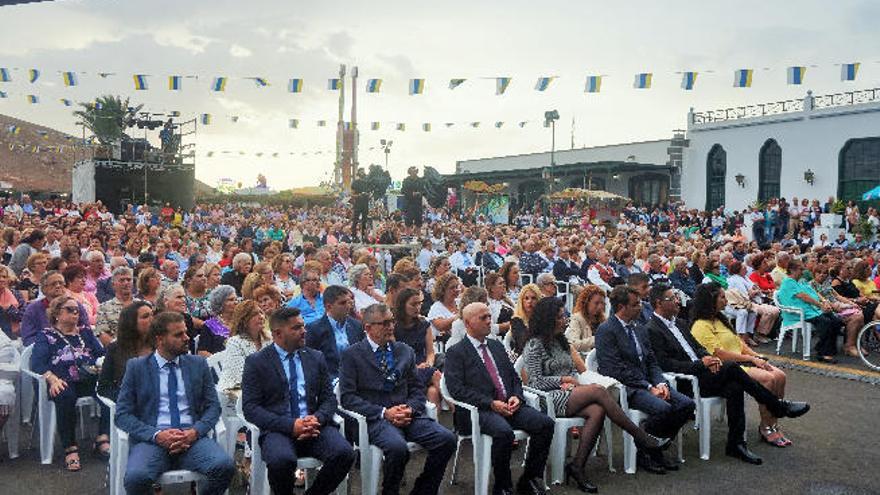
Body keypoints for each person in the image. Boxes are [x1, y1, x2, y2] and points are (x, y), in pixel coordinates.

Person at [645, 285, 809, 465]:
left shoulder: (680, 323)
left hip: (706, 372)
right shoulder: (652, 329)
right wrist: (702, 364)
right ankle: (777, 406)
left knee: (735, 387)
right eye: (672, 298)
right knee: (731, 368)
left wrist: (708, 358)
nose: (677, 301)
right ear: (658, 303)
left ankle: (736, 444)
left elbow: (698, 348)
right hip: (687, 381)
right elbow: (665, 364)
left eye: (676, 297)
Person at [523, 296, 668, 492]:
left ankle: (577, 466)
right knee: (599, 392)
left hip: (570, 392)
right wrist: (561, 381)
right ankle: (640, 436)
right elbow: (534, 382)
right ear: (547, 319)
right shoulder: (534, 344)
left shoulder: (560, 340)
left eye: (564, 316)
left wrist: (570, 381)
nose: (563, 320)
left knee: (598, 410)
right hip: (546, 399)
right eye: (559, 317)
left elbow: (573, 371)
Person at [340, 303, 455, 495]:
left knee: (447, 440)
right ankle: (390, 490)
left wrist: (410, 408)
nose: (390, 327)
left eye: (391, 321)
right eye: (384, 323)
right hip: (376, 418)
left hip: (408, 414)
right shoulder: (352, 355)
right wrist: (384, 413)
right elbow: (347, 398)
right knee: (397, 448)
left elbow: (417, 388)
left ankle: (423, 490)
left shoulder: (404, 351)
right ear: (368, 327)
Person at [116, 311, 235, 495]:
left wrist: (194, 432)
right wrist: (156, 435)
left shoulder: (198, 364)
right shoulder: (137, 367)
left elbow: (213, 407)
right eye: (178, 334)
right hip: (153, 442)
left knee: (224, 467)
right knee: (136, 478)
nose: (187, 338)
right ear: (160, 339)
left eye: (186, 332)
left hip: (192, 439)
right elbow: (122, 415)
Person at [241, 307, 355, 495]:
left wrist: (317, 418)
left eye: (303, 326)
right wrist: (291, 425)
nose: (304, 331)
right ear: (278, 333)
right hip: (278, 429)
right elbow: (251, 408)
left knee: (344, 454)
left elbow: (329, 398)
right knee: (281, 461)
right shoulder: (257, 362)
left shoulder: (315, 357)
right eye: (296, 328)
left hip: (314, 425)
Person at [444, 302, 554, 495]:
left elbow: (513, 377)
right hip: (479, 411)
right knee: (504, 433)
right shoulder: (456, 352)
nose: (489, 321)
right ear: (468, 323)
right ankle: (502, 486)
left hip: (508, 405)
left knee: (545, 424)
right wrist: (490, 403)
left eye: (489, 316)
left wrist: (516, 397)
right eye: (483, 318)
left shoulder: (495, 346)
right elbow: (456, 390)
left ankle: (528, 479)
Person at [595, 285, 695, 474]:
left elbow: (651, 361)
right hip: (628, 387)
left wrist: (660, 383)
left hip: (649, 384)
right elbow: (614, 369)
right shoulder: (606, 330)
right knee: (663, 408)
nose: (640, 307)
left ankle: (653, 445)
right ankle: (648, 452)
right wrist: (648, 387)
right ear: (622, 307)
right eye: (635, 304)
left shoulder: (639, 329)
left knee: (686, 404)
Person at [690, 283, 799, 447]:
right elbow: (718, 353)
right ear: (710, 300)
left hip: (743, 361)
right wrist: (751, 360)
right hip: (728, 367)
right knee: (768, 379)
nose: (725, 301)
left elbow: (739, 343)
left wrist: (757, 357)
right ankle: (766, 427)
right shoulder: (700, 325)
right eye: (722, 297)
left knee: (780, 376)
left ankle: (773, 423)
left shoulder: (721, 319)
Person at [31, 295, 109, 470]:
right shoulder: (46, 335)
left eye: (77, 310)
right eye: (70, 309)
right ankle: (70, 448)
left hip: (89, 378)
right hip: (62, 380)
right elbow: (37, 362)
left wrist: (101, 365)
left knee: (111, 392)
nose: (76, 313)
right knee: (64, 395)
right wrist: (51, 379)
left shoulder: (85, 333)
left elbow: (101, 354)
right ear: (57, 314)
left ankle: (103, 438)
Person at [776, 260, 844, 363]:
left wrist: (824, 303)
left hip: (809, 310)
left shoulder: (799, 282)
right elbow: (804, 296)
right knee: (826, 322)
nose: (802, 272)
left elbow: (812, 293)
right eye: (800, 269)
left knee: (836, 321)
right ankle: (823, 353)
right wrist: (820, 305)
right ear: (792, 270)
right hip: (798, 313)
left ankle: (823, 347)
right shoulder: (788, 282)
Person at [395, 288, 443, 409]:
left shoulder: (424, 324)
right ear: (403, 305)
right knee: (436, 375)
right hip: (405, 367)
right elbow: (395, 355)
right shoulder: (394, 327)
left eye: (420, 303)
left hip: (424, 364)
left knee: (433, 392)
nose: (417, 307)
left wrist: (428, 363)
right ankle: (457, 410)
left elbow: (430, 352)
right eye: (413, 304)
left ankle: (436, 425)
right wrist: (416, 367)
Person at [218, 300, 270, 411]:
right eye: (255, 314)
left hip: (265, 388)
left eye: (261, 312)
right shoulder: (235, 342)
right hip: (236, 392)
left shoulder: (269, 339)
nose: (261, 316)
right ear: (244, 319)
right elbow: (240, 376)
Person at [97, 301, 154, 401]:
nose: (152, 320)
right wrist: (125, 398)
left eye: (152, 315)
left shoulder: (161, 345)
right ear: (131, 322)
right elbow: (103, 388)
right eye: (145, 316)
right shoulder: (115, 348)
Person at [305, 285, 365, 380]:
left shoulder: (356, 325)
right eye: (342, 303)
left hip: (357, 377)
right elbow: (310, 363)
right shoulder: (314, 329)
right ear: (329, 306)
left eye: (348, 302)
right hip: (329, 379)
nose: (348, 306)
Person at [21, 271, 90, 346]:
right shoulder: (33, 309)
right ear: (44, 289)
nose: (58, 286)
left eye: (61, 283)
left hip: (75, 346)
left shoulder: (76, 305)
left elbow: (86, 330)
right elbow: (28, 338)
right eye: (53, 284)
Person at [94, 266, 135, 346]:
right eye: (122, 280)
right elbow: (102, 334)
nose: (126, 283)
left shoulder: (143, 305)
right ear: (113, 285)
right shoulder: (104, 308)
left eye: (129, 280)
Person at [198, 284, 237, 357]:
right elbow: (202, 352)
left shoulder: (242, 322)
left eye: (236, 299)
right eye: (231, 300)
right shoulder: (209, 325)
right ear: (220, 303)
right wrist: (219, 360)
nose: (235, 302)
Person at [565, 285, 606, 353]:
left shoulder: (604, 319)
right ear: (586, 302)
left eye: (602, 303)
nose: (600, 307)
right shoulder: (576, 318)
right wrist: (596, 340)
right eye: (596, 303)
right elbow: (573, 344)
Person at [426, 272, 461, 344]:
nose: (456, 290)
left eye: (457, 287)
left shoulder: (460, 303)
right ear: (442, 290)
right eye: (452, 288)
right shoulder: (436, 307)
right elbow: (440, 326)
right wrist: (459, 316)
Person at [509, 283, 541, 359]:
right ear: (521, 301)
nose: (529, 301)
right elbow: (523, 343)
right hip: (523, 359)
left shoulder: (542, 318)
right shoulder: (516, 320)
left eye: (533, 298)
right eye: (526, 298)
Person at [0, 265, 25, 338]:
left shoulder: (16, 294)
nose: (2, 279)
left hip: (15, 335)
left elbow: (23, 315)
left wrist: (9, 308)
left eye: (4, 277)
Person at [401, 166, 425, 234]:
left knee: (418, 221)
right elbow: (403, 191)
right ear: (409, 172)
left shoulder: (420, 180)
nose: (414, 173)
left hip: (418, 204)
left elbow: (424, 190)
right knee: (408, 221)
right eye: (412, 171)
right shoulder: (406, 181)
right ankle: (408, 236)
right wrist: (411, 194)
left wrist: (419, 193)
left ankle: (418, 236)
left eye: (415, 171)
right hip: (409, 204)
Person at [351, 168, 370, 240]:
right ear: (358, 173)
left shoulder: (367, 183)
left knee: (365, 220)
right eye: (361, 172)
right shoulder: (355, 182)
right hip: (358, 203)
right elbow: (352, 194)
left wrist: (368, 195)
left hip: (365, 203)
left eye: (363, 171)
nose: (362, 173)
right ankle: (354, 236)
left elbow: (370, 193)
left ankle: (364, 236)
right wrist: (359, 195)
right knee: (355, 220)